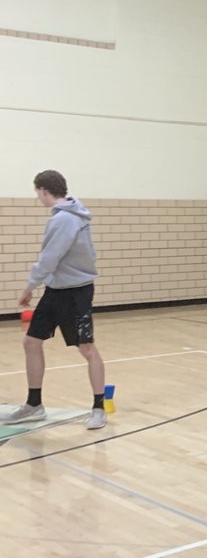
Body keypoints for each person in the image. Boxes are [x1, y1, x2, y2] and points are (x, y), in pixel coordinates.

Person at [5, 170, 107, 431]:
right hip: (56, 289)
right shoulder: (76, 211)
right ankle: (34, 405)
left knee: (87, 349)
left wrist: (29, 287)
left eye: (37, 193)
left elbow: (49, 259)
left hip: (76, 293)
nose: (38, 198)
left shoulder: (64, 220)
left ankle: (98, 407)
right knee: (31, 342)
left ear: (42, 190)